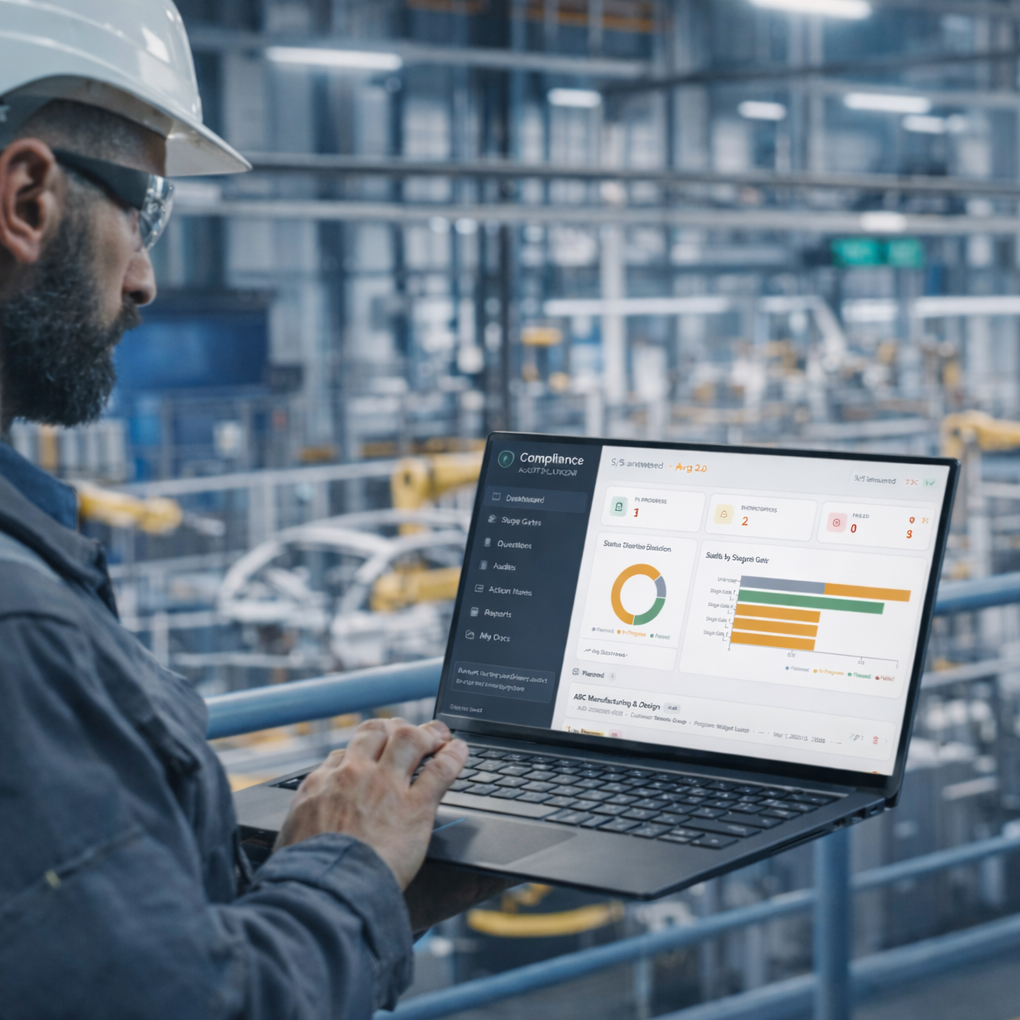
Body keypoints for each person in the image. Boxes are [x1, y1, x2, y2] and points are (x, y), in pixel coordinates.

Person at [0, 3, 500, 1017]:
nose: (144, 279)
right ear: (27, 198)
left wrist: (371, 875)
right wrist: (351, 864)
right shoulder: (19, 634)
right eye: (144, 213)